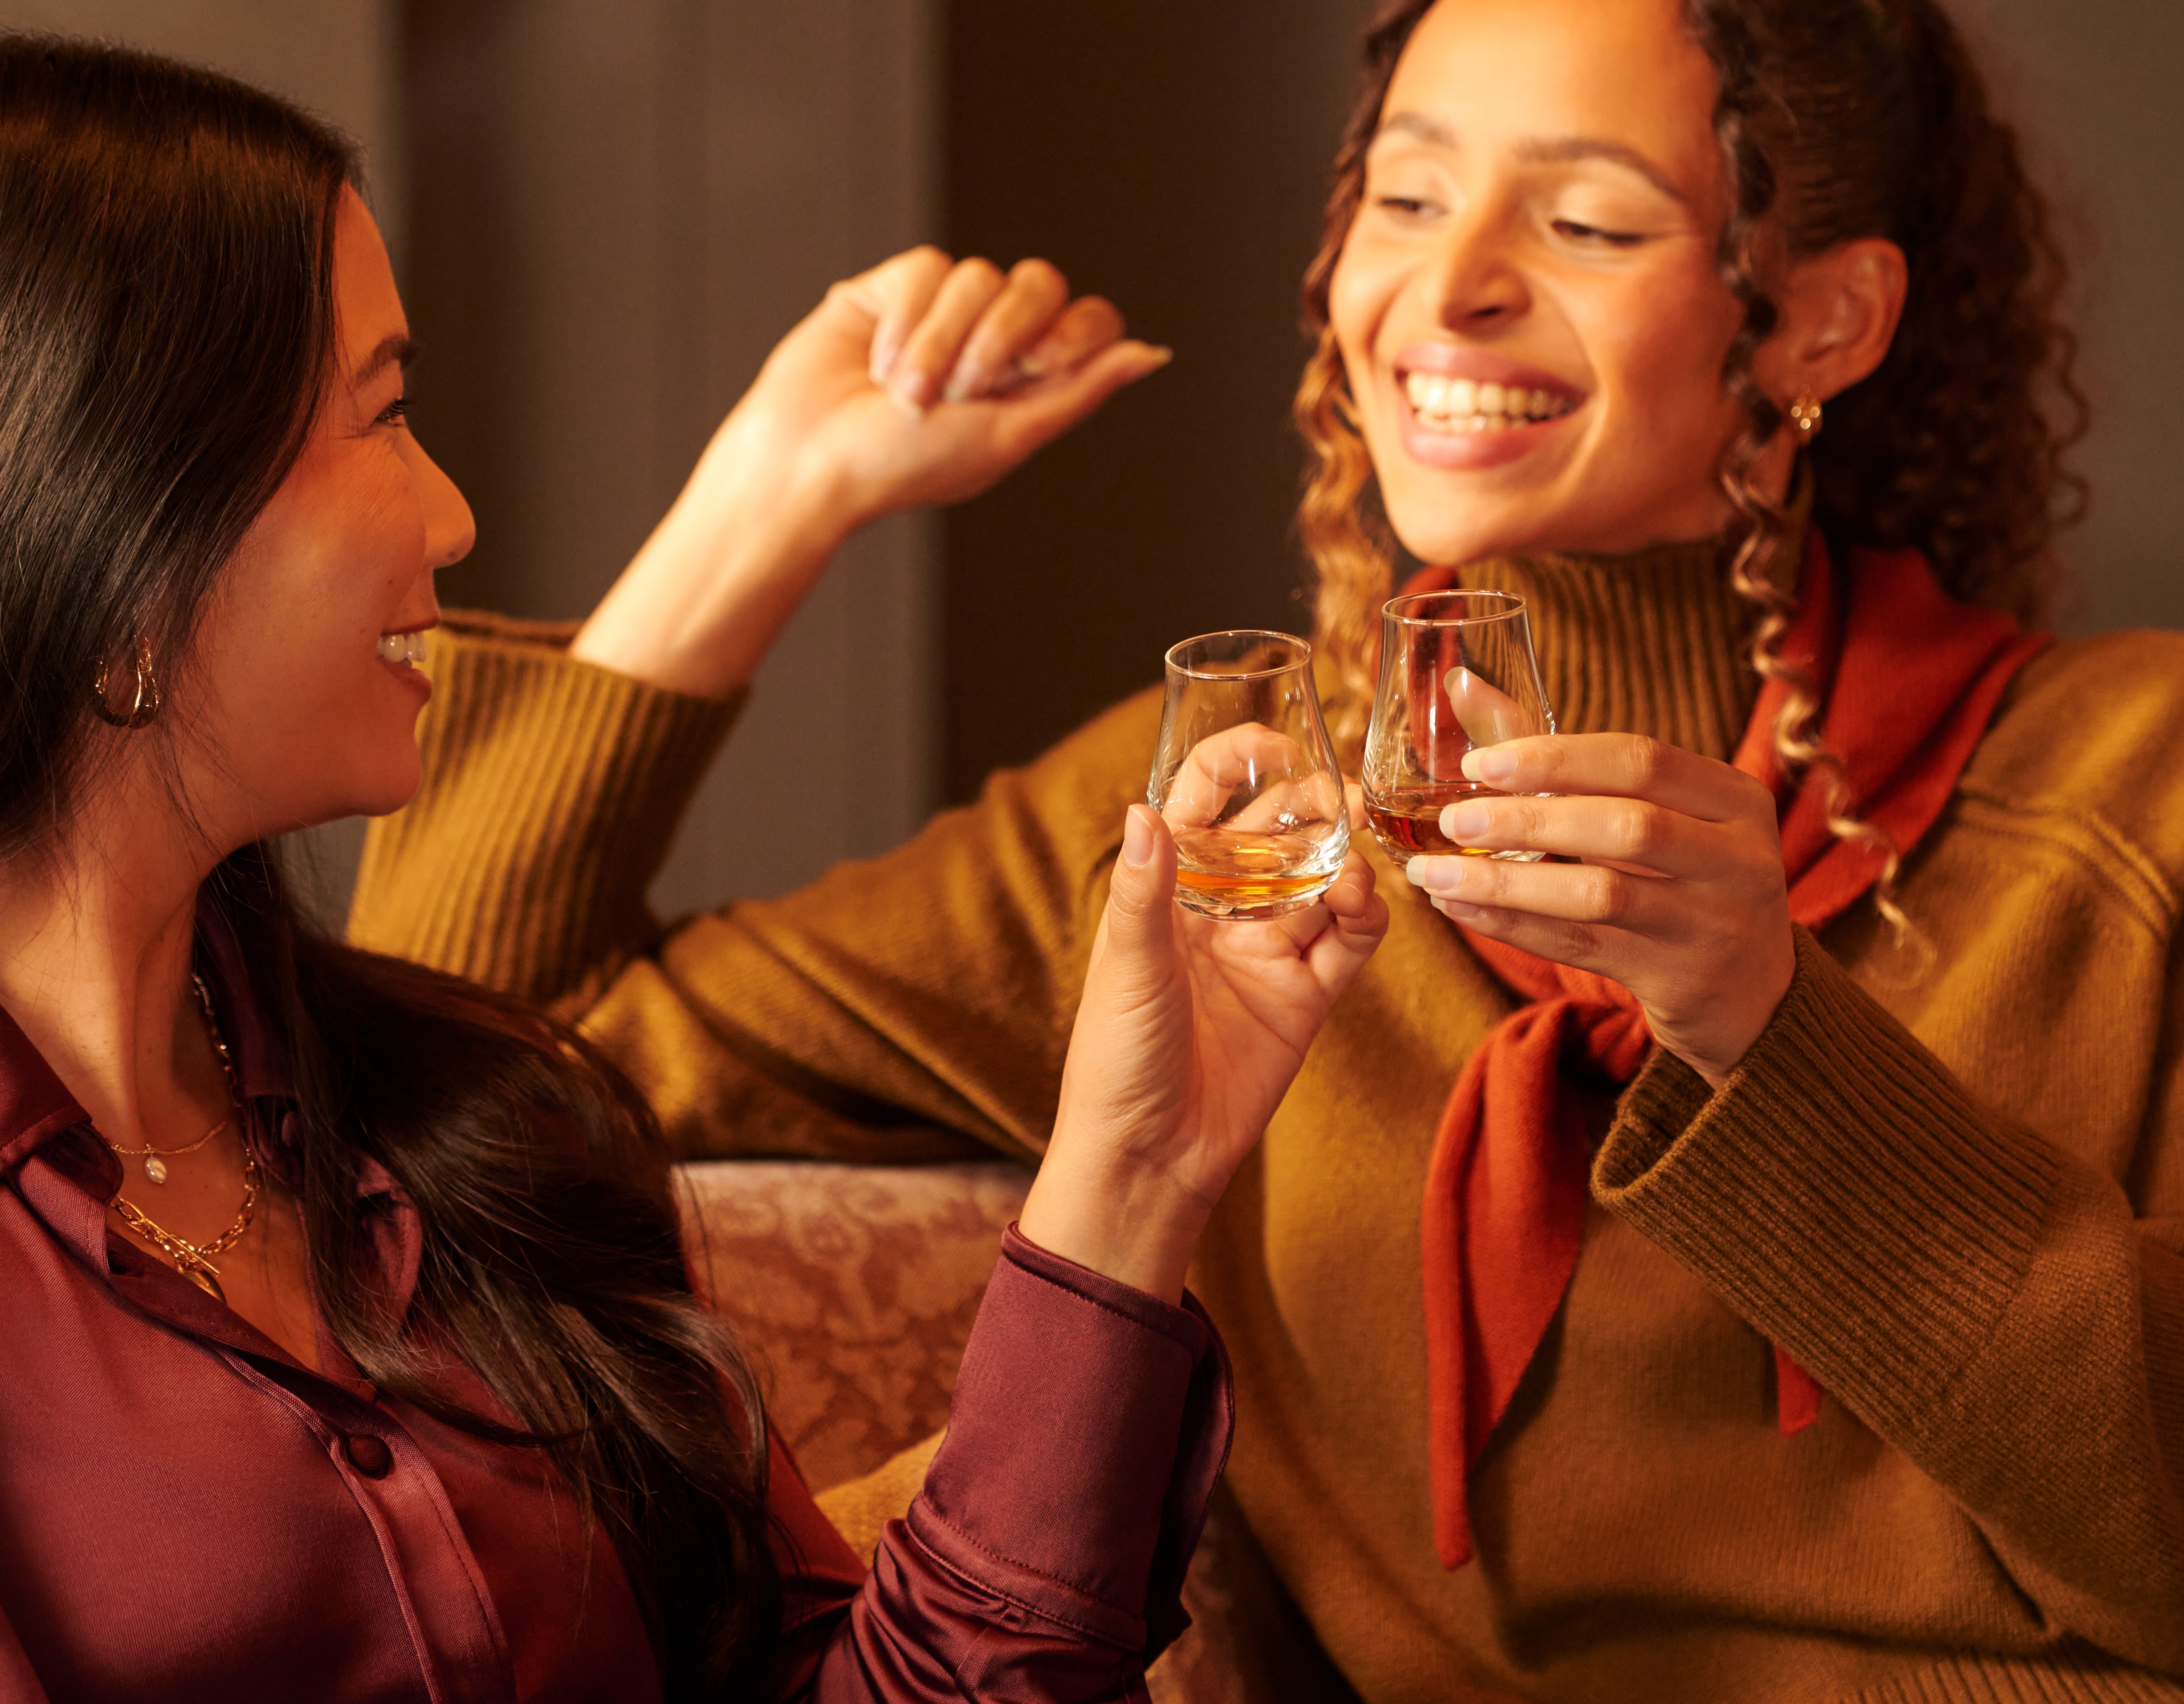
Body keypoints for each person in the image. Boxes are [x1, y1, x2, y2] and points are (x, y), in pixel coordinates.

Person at [349, 0, 2184, 1696]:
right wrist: (768, 493)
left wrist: (1773, 1041)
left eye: (1590, 226)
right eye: (1402, 195)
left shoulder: (2135, 785)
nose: (1443, 290)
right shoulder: (1229, 825)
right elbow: (451, 1064)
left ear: (1815, 325)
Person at [0, 33, 1392, 1703]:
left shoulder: (469, 1121)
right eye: (381, 415)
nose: (451, 515)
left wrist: (1134, 1171)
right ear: (108, 517)